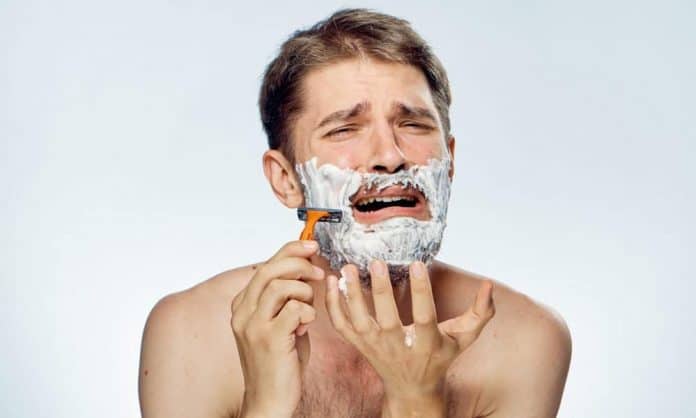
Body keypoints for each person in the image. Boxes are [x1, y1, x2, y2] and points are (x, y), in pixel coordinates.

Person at [138, 8, 571, 418]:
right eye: (345, 128)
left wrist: (416, 401)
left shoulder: (523, 341)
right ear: (286, 180)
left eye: (414, 124)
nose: (389, 155)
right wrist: (267, 403)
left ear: (450, 161)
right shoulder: (191, 335)